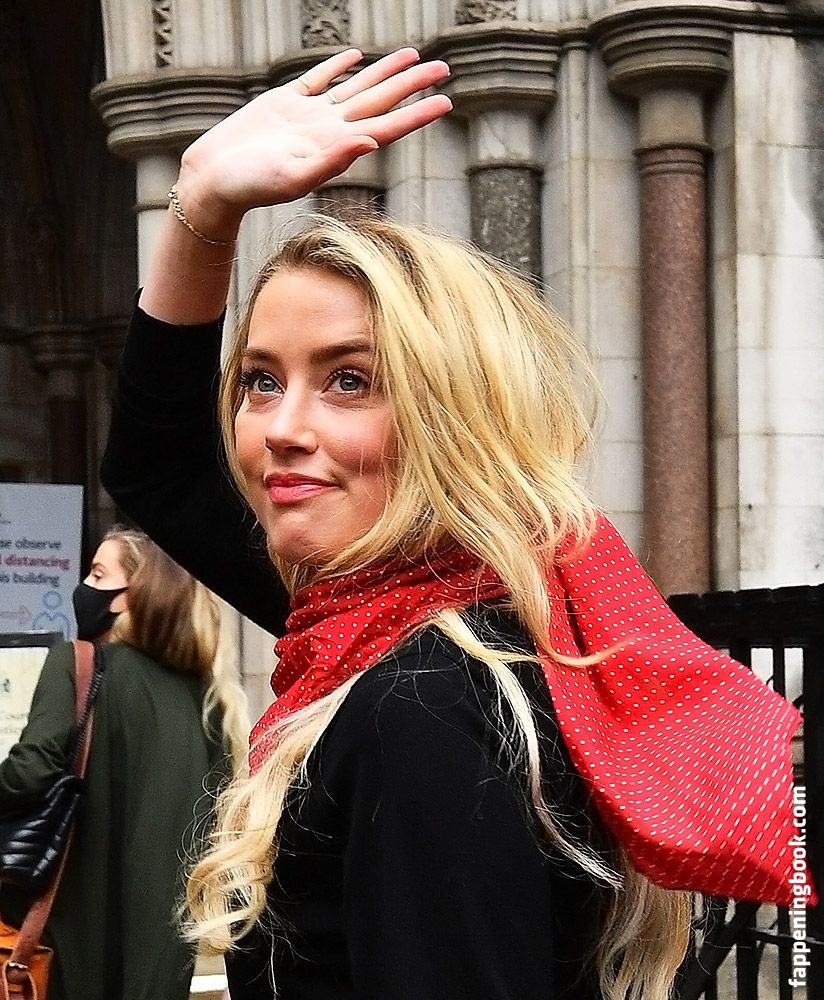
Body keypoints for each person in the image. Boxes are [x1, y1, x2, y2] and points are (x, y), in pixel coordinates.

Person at [100, 48, 809, 1000]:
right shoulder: (431, 619)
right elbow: (155, 466)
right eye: (261, 380)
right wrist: (203, 204)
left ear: (453, 414)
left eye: (350, 380)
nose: (281, 428)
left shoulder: (426, 708)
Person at [0, 527, 249, 1000]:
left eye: (98, 574)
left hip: (69, 938)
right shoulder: (211, 700)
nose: (84, 587)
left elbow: (31, 771)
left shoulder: (78, 663)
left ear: (134, 595)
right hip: (165, 952)